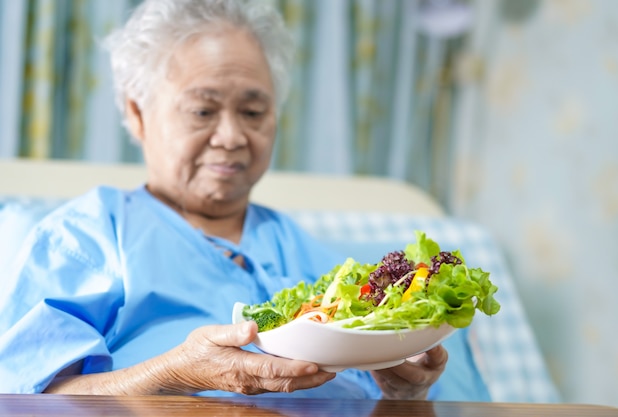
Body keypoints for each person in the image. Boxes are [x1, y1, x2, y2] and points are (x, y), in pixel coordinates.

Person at [0, 0, 447, 398]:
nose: (232, 136)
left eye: (253, 112)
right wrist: (175, 374)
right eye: (202, 110)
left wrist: (402, 391)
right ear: (136, 114)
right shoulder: (86, 236)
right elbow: (25, 398)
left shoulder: (306, 250)